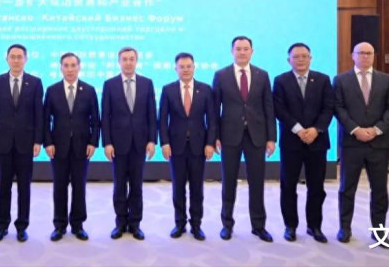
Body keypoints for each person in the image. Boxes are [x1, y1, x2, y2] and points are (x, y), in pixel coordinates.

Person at [212, 36, 276, 243]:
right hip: (229, 135)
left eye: (245, 49)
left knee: (256, 182)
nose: (242, 52)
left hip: (256, 136)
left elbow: (269, 108)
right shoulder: (221, 75)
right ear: (232, 51)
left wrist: (271, 138)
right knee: (228, 181)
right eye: (238, 49)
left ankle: (258, 226)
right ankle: (227, 224)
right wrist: (215, 137)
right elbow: (214, 110)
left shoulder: (262, 75)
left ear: (252, 51)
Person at [334, 42, 389, 244]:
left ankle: (379, 231)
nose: (365, 56)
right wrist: (356, 130)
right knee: (347, 188)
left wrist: (376, 129)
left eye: (369, 53)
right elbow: (338, 108)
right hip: (351, 143)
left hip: (378, 143)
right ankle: (345, 228)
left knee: (379, 190)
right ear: (353, 55)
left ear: (374, 56)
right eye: (360, 53)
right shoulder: (341, 80)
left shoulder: (387, 80)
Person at [272, 43, 334, 243]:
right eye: (296, 56)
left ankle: (314, 226)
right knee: (288, 186)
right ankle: (290, 226)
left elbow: (328, 108)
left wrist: (316, 129)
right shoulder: (280, 80)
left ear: (310, 58)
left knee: (316, 187)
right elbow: (279, 109)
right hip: (292, 141)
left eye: (304, 56)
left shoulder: (323, 79)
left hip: (317, 141)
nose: (300, 60)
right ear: (288, 60)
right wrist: (299, 129)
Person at [0, 44, 43, 242]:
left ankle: (22, 226)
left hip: (25, 143)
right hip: (2, 143)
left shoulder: (35, 82)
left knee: (24, 188)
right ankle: (2, 226)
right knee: (4, 186)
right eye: (13, 57)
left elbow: (39, 113)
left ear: (26, 59)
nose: (16, 60)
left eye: (20, 57)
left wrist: (38, 140)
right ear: (7, 59)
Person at [159, 52, 216, 241]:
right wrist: (164, 142)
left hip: (199, 147)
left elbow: (212, 120)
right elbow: (162, 119)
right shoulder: (168, 90)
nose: (185, 70)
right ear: (175, 69)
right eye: (181, 67)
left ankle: (196, 225)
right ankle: (180, 223)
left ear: (194, 67)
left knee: (197, 188)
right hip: (176, 147)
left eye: (188, 66)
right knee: (178, 188)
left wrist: (210, 143)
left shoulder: (205, 89)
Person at [43, 52, 100, 242]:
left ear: (79, 67)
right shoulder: (52, 90)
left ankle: (78, 225)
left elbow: (95, 120)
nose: (69, 69)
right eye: (66, 65)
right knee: (59, 187)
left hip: (81, 147)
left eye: (73, 65)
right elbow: (45, 120)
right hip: (58, 148)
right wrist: (48, 142)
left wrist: (93, 142)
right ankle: (59, 225)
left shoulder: (89, 90)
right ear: (61, 68)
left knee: (79, 187)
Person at [102, 46, 156, 241]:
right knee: (119, 186)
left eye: (131, 59)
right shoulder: (110, 84)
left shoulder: (147, 83)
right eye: (124, 59)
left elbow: (152, 114)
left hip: (139, 144)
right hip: (118, 145)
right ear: (119, 62)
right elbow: (105, 116)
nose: (128, 62)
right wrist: (107, 142)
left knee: (136, 186)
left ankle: (135, 224)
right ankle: (120, 223)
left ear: (136, 61)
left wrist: (152, 140)